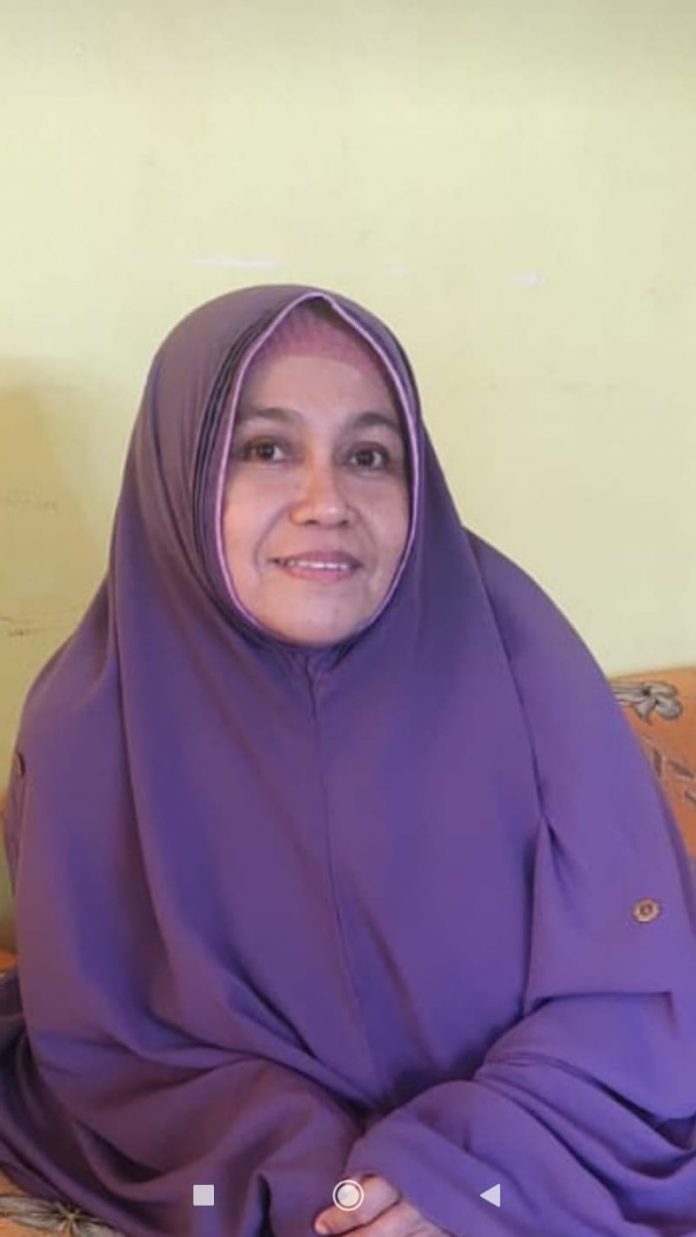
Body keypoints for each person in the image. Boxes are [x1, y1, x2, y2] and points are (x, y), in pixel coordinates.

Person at [0, 284, 695, 1237]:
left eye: (369, 456)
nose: (325, 502)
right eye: (266, 448)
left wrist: (469, 1168)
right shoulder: (90, 728)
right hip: (253, 1165)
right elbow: (117, 1048)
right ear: (180, 471)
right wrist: (338, 1186)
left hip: (539, 1133)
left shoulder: (521, 662)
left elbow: (637, 986)